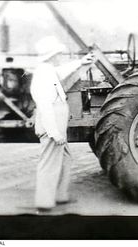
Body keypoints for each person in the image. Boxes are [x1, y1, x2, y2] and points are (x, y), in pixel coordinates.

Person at [30, 36, 95, 211]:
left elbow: (61, 71)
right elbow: (45, 107)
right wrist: (54, 133)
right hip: (52, 129)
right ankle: (44, 203)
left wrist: (81, 61)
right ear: (52, 55)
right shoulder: (43, 74)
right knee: (49, 164)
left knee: (65, 160)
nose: (60, 56)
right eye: (58, 54)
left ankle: (60, 195)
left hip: (58, 128)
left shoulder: (47, 70)